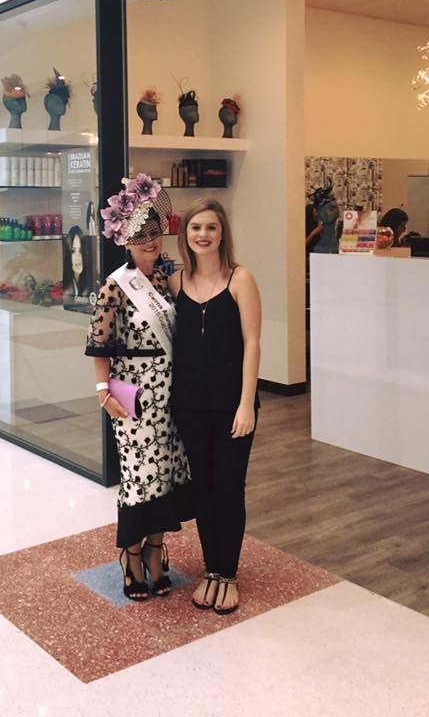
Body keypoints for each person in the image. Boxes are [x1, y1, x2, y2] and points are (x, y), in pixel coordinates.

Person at [85, 175, 191, 601]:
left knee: (165, 475)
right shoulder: (115, 286)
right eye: (139, 234)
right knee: (139, 477)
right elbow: (99, 344)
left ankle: (155, 550)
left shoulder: (170, 278)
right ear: (123, 239)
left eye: (155, 232)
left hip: (172, 390)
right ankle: (130, 555)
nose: (150, 241)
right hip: (130, 391)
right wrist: (102, 392)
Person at [170, 197, 262, 615]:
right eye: (195, 228)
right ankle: (211, 570)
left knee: (229, 488)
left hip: (231, 405)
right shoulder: (175, 282)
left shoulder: (241, 279)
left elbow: (252, 343)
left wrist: (246, 404)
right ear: (184, 236)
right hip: (189, 405)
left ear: (222, 233)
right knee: (203, 490)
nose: (203, 235)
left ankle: (228, 574)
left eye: (210, 227)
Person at [62, 225, 93, 302]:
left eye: (80, 250)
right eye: (73, 251)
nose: (77, 257)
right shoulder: (64, 286)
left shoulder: (92, 284)